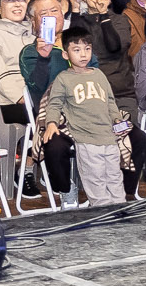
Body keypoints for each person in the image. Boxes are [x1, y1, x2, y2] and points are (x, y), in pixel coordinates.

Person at [39, 26, 125, 205]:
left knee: (115, 176)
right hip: (86, 138)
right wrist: (52, 123)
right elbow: (54, 103)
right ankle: (101, 212)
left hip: (108, 137)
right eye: (76, 50)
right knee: (95, 178)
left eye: (87, 49)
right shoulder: (64, 78)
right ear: (65, 55)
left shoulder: (99, 75)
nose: (83, 54)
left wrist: (117, 119)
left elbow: (110, 100)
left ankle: (119, 209)